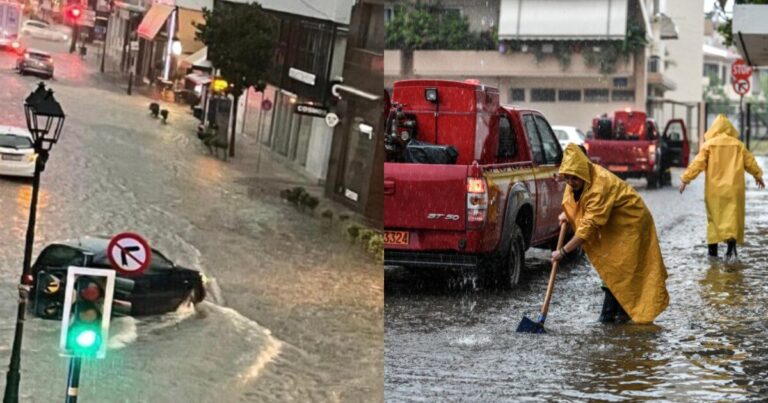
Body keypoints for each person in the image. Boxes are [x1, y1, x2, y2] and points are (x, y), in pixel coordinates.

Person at [551, 144, 669, 324]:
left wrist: (563, 252)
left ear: (582, 172)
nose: (570, 182)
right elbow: (577, 200)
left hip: (631, 224)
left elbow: (587, 229)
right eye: (567, 178)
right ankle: (622, 316)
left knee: (620, 268)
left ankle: (609, 318)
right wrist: (568, 213)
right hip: (613, 225)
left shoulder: (600, 186)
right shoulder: (576, 177)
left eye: (574, 178)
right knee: (615, 267)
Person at [678, 114, 765, 260]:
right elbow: (750, 162)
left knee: (714, 219)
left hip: (714, 191)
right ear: (730, 129)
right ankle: (731, 251)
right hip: (733, 190)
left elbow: (697, 164)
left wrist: (685, 180)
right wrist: (758, 176)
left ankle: (712, 254)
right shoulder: (738, 145)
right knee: (732, 218)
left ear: (713, 129)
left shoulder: (709, 145)